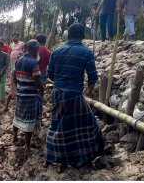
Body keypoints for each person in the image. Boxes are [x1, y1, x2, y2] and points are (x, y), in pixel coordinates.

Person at [45, 23, 105, 168]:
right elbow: (93, 78)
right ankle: (87, 155)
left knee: (58, 125)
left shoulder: (56, 51)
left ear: (68, 35)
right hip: (75, 95)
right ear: (83, 36)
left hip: (58, 94)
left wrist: (61, 82)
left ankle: (53, 156)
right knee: (87, 125)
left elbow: (50, 74)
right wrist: (89, 90)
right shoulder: (86, 52)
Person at [6, 40, 44, 151]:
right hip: (30, 95)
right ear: (35, 49)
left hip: (21, 93)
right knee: (29, 120)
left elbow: (14, 75)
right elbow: (37, 79)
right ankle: (27, 146)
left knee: (18, 116)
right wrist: (42, 89)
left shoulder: (19, 60)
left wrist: (18, 85)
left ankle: (14, 137)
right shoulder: (33, 62)